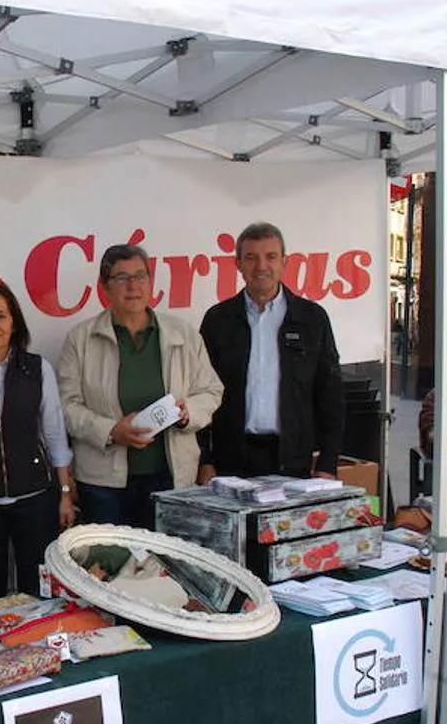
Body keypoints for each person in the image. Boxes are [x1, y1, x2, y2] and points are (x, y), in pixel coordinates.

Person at [57, 244, 223, 527]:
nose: (133, 285)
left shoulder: (182, 334)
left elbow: (211, 390)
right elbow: (67, 406)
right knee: (109, 566)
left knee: (164, 565)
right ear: (105, 287)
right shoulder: (81, 339)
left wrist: (188, 414)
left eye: (140, 276)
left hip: (170, 478)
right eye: (122, 277)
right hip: (103, 484)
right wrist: (111, 431)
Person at [198, 222, 344, 481]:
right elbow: (199, 392)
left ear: (285, 262)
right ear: (238, 264)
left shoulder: (312, 319)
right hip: (231, 460)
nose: (261, 266)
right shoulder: (218, 320)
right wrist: (204, 461)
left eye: (271, 257)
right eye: (251, 258)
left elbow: (330, 395)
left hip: (293, 461)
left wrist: (328, 463)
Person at [0, 282, 75, 599]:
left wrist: (65, 493)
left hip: (35, 496)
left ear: (14, 323)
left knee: (38, 589)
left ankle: (39, 648)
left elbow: (54, 434)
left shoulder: (37, 369)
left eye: (1, 316)